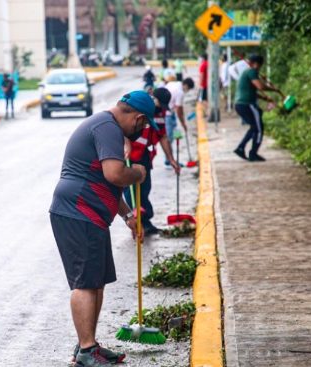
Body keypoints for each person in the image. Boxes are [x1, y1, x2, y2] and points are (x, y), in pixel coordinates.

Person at [50, 90, 157, 366]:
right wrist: (139, 173)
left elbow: (107, 184)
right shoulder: (107, 127)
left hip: (90, 215)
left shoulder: (107, 128)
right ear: (139, 117)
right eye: (144, 125)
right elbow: (116, 174)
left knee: (96, 282)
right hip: (77, 212)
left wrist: (126, 215)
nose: (142, 130)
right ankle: (86, 351)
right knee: (85, 283)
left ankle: (89, 346)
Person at [124, 88, 181, 236]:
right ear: (152, 98)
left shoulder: (160, 113)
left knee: (145, 189)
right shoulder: (138, 108)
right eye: (159, 104)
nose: (160, 108)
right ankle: (138, 222)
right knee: (131, 192)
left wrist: (171, 159)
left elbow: (162, 136)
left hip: (143, 155)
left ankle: (145, 221)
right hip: (128, 156)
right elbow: (122, 129)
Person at [233, 54, 281, 162]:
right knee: (259, 129)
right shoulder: (252, 71)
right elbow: (260, 86)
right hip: (247, 104)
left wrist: (264, 98)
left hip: (240, 104)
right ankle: (253, 153)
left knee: (254, 127)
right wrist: (274, 89)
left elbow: (251, 91)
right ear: (258, 64)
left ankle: (241, 148)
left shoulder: (247, 72)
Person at [163, 76, 196, 165]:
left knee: (172, 137)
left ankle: (171, 159)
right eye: (188, 89)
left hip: (168, 113)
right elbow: (179, 110)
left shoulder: (174, 83)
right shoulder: (180, 92)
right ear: (185, 85)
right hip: (168, 115)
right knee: (169, 138)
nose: (187, 91)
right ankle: (169, 161)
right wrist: (183, 124)